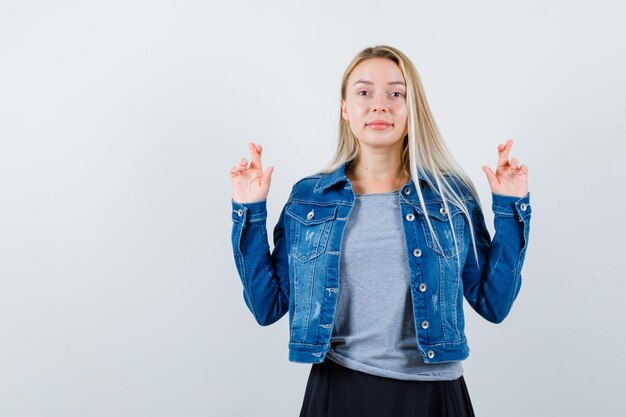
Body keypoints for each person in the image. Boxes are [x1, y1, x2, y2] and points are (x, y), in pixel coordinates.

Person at [229, 45, 531, 417]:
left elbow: (494, 303)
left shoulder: (450, 196)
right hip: (338, 390)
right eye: (363, 92)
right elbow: (267, 307)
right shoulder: (311, 198)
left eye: (396, 93)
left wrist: (510, 207)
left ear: (411, 108)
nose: (379, 104)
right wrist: (250, 211)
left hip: (433, 395)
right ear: (344, 108)